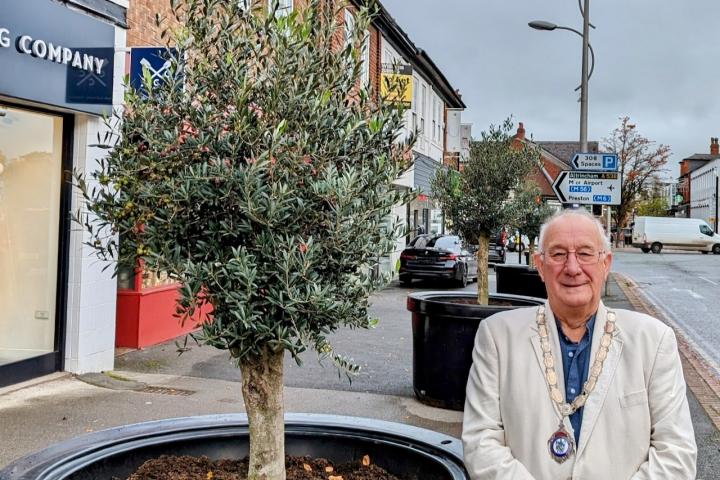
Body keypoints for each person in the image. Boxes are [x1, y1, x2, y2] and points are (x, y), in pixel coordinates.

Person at [462, 208, 696, 480]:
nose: (572, 268)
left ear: (606, 263)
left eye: (585, 253)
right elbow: (481, 443)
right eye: (558, 254)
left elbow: (676, 454)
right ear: (540, 265)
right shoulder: (498, 337)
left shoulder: (653, 341)